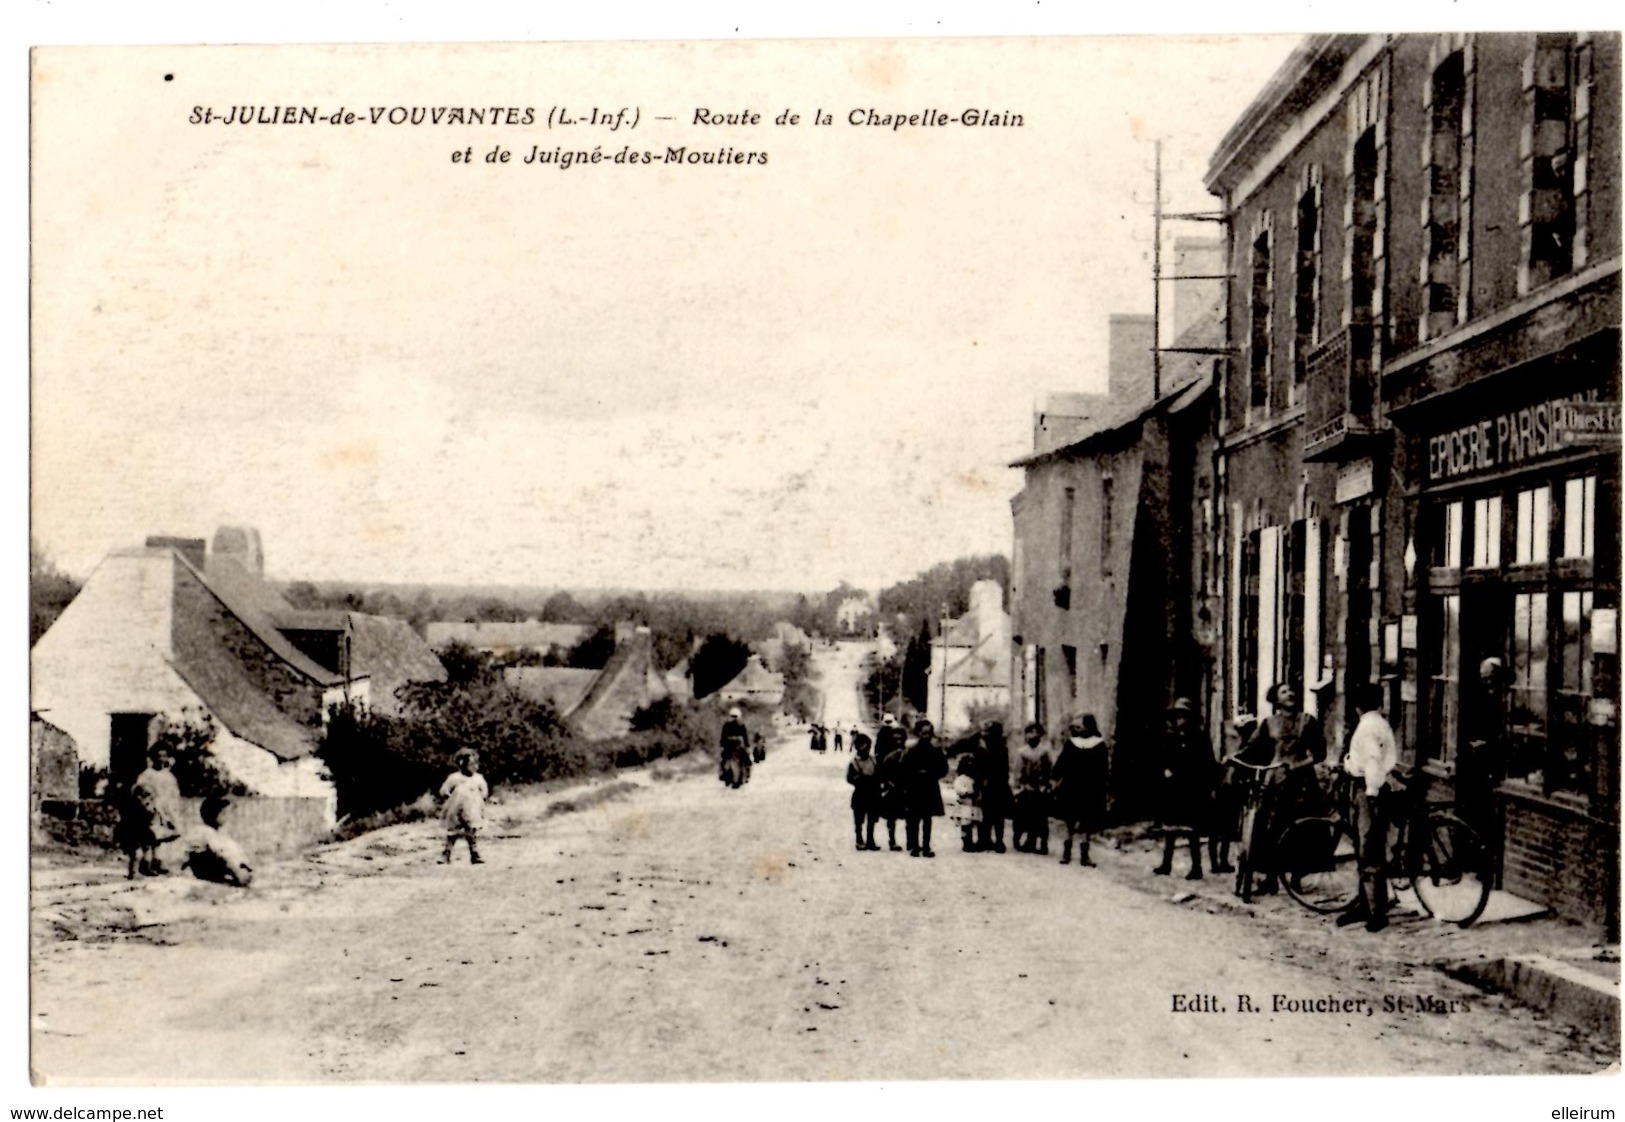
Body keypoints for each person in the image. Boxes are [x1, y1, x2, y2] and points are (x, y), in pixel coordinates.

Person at [1240, 683, 1327, 893]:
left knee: (1300, 830)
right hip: (1275, 783)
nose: (1290, 694)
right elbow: (1252, 750)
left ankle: (1296, 879)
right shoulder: (1268, 724)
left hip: (1302, 783)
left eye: (1292, 691)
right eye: (1284, 692)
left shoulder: (1308, 721)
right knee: (1270, 829)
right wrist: (1235, 757)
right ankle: (1271, 879)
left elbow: (1320, 753)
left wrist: (1298, 765)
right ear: (1276, 699)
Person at [1337, 682, 1400, 933]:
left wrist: (1372, 792)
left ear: (1356, 706)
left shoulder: (1367, 727)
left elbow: (1373, 761)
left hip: (1367, 791)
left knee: (1369, 849)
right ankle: (1367, 903)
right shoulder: (1379, 723)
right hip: (1366, 787)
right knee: (1367, 847)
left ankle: (1376, 912)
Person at [1153, 698, 1218, 880]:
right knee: (1171, 830)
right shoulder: (1171, 738)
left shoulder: (1199, 738)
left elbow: (1208, 763)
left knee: (1192, 831)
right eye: (1178, 717)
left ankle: (1196, 867)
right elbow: (1164, 759)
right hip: (1174, 790)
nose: (1181, 720)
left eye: (1184, 717)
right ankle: (1166, 864)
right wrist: (1165, 770)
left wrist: (1210, 786)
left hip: (1192, 789)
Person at [1051, 714, 1109, 867]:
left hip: (1090, 788)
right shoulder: (1071, 744)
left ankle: (1085, 855)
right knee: (1070, 820)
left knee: (1087, 822)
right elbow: (1061, 763)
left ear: (1088, 727)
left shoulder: (1099, 745)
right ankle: (1067, 853)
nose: (1076, 729)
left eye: (1079, 726)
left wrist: (1104, 788)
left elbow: (1104, 769)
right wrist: (1055, 777)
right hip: (1072, 787)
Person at [119, 745, 183, 879]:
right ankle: (146, 864)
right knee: (150, 837)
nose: (161, 759)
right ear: (152, 758)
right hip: (151, 810)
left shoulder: (168, 776)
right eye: (158, 756)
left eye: (164, 756)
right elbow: (139, 791)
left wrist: (172, 810)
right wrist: (147, 805)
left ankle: (156, 862)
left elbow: (173, 793)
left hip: (166, 809)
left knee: (163, 836)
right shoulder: (147, 775)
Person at [182, 795, 254, 887]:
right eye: (224, 814)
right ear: (216, 815)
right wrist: (236, 866)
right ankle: (241, 875)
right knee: (226, 856)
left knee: (227, 850)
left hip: (197, 867)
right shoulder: (208, 832)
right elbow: (221, 852)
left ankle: (241, 869)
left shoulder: (199, 830)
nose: (227, 817)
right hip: (205, 868)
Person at [901, 718, 948, 857]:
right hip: (915, 788)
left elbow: (943, 769)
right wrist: (914, 775)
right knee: (914, 818)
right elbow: (904, 768)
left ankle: (926, 846)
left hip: (929, 787)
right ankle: (915, 846)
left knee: (927, 818)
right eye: (923, 732)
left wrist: (931, 773)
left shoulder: (936, 751)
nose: (926, 735)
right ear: (918, 733)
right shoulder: (911, 751)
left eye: (928, 733)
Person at [439, 748, 489, 865]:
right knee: (453, 832)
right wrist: (447, 795)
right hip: (456, 809)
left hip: (472, 809)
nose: (474, 767)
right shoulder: (455, 778)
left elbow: (484, 791)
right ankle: (446, 854)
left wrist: (481, 798)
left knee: (471, 831)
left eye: (475, 764)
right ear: (462, 764)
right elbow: (444, 790)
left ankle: (474, 854)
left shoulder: (478, 778)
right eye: (471, 764)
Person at [1011, 721, 1052, 854]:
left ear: (1040, 735)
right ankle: (1020, 840)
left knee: (1040, 817)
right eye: (1029, 732)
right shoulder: (1022, 752)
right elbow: (1017, 772)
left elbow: (1048, 770)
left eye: (1035, 733)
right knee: (1023, 816)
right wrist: (1019, 786)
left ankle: (1041, 843)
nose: (1032, 736)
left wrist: (1046, 785)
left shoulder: (1044, 752)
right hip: (1026, 788)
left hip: (1040, 789)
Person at [974, 722, 1012, 854]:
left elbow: (1003, 769)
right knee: (983, 814)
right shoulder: (980, 749)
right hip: (984, 785)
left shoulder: (1001, 749)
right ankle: (984, 840)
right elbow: (977, 768)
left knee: (998, 815)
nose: (985, 735)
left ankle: (999, 841)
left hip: (998, 785)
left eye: (988, 732)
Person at [874, 714, 909, 851]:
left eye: (901, 739)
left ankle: (911, 841)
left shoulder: (907, 753)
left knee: (910, 814)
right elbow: (881, 763)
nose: (899, 741)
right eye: (896, 739)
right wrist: (885, 782)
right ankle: (892, 840)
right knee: (891, 815)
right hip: (892, 784)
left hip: (905, 785)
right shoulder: (886, 749)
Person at [845, 733, 881, 851]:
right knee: (859, 819)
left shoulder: (873, 760)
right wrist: (860, 780)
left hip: (873, 794)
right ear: (857, 747)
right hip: (860, 794)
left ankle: (870, 840)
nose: (866, 749)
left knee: (872, 819)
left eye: (868, 746)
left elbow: (879, 774)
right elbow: (850, 778)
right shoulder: (854, 762)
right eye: (863, 746)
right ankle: (859, 839)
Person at [948, 751, 982, 851]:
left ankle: (973, 842)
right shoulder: (960, 779)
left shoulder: (974, 779)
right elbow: (959, 790)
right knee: (965, 825)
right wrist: (969, 791)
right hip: (965, 805)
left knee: (972, 824)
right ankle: (966, 843)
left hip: (974, 805)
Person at [721, 707, 752, 785]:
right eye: (733, 716)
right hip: (731, 747)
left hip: (735, 746)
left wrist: (747, 746)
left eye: (735, 716)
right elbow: (723, 737)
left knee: (746, 760)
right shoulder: (730, 725)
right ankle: (725, 774)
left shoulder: (738, 725)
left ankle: (746, 775)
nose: (734, 718)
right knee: (724, 759)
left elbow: (745, 737)